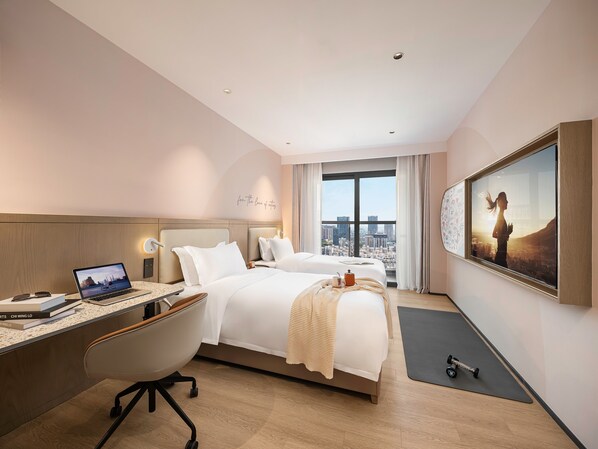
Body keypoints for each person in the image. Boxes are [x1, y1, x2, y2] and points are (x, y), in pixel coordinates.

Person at [485, 191, 513, 268]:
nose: (507, 202)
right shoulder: (500, 218)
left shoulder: (500, 217)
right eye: (505, 200)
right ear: (501, 202)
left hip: (500, 257)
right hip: (501, 259)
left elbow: (494, 234)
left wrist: (505, 234)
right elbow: (500, 240)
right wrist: (508, 232)